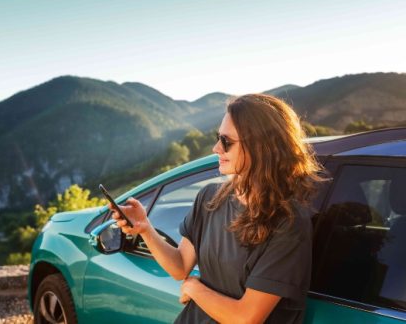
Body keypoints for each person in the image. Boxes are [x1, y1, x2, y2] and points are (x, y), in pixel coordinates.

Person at [110, 94, 324, 323]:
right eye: (218, 138)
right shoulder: (210, 198)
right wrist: (145, 228)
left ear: (261, 146)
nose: (216, 148)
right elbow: (180, 266)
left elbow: (245, 319)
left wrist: (194, 288)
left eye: (226, 141)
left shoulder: (288, 223)